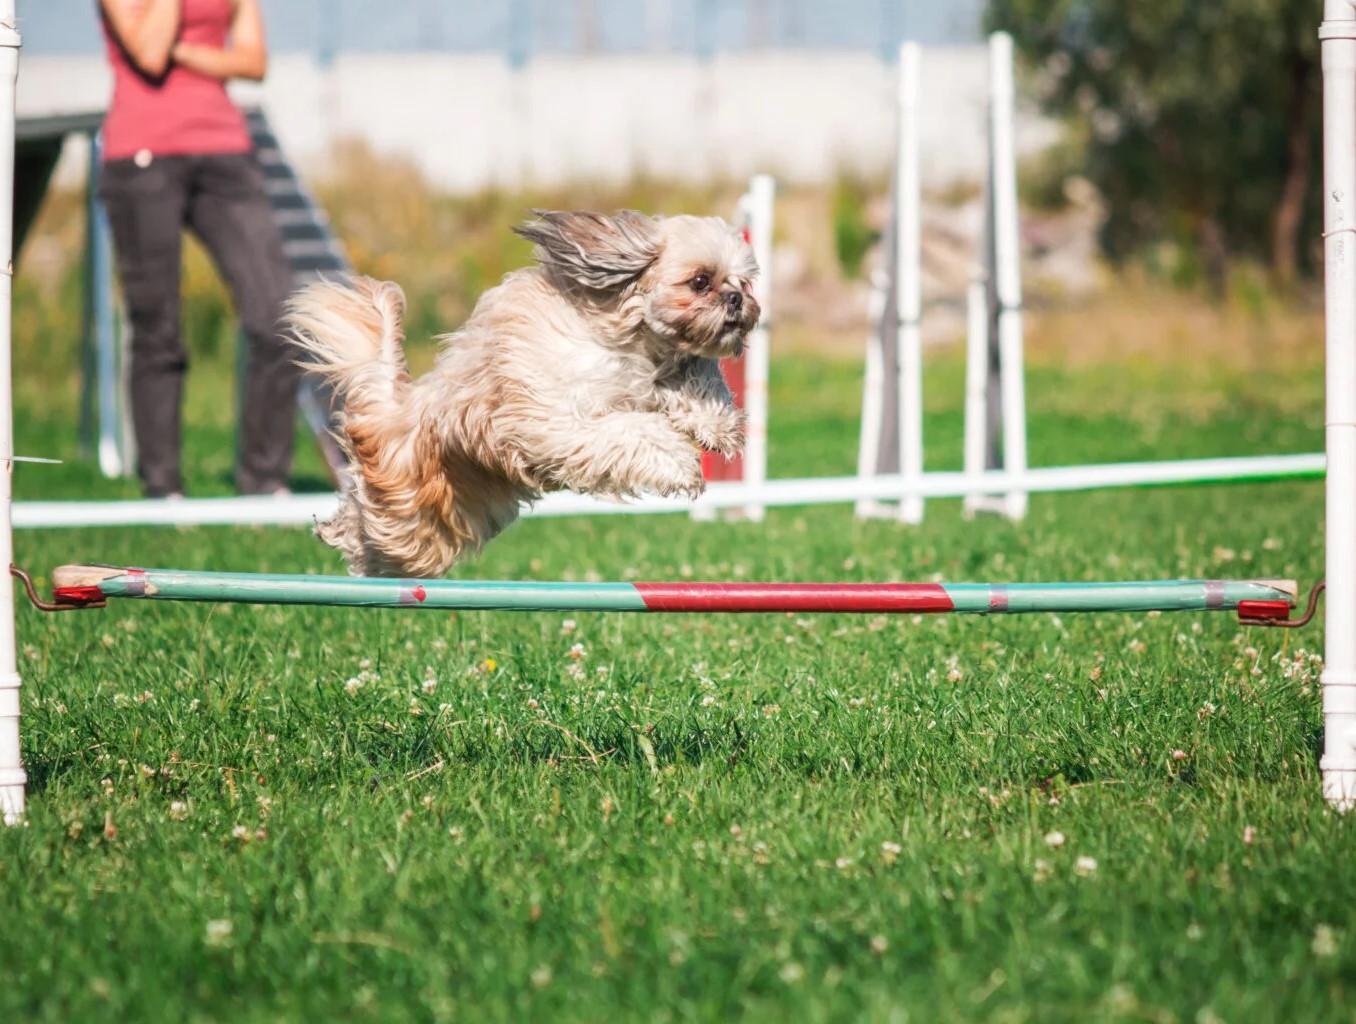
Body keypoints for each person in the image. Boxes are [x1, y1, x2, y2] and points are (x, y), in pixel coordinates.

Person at [96, 0, 299, 498]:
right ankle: (162, 485)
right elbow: (147, 53)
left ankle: (263, 480)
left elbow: (253, 63)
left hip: (226, 150)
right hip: (142, 154)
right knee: (158, 328)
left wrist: (183, 51)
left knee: (279, 313)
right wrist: (199, 50)